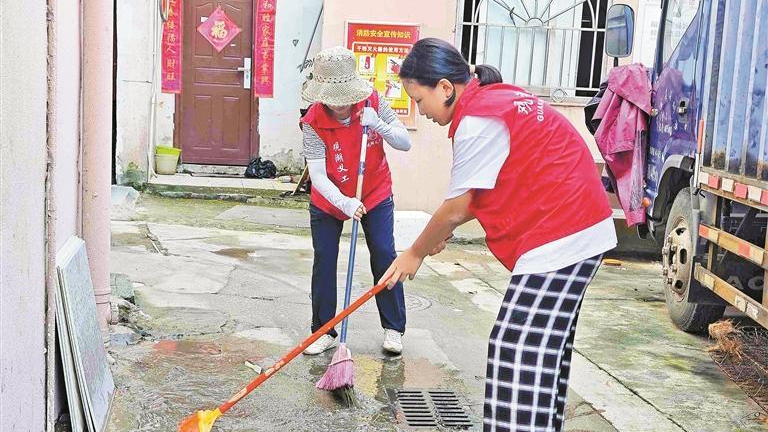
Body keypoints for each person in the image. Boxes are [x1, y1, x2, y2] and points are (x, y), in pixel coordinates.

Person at [380, 38, 617, 432]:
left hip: (564, 234)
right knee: (539, 353)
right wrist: (440, 236)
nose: (421, 112)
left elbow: (456, 208)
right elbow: (480, 197)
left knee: (517, 351)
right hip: (575, 226)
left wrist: (415, 253)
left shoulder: (477, 119)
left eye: (419, 100)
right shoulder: (498, 99)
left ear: (444, 87)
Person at [300, 46, 412, 355]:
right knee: (324, 258)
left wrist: (378, 124)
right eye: (332, 100)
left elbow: (405, 142)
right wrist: (345, 203)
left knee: (384, 253)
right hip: (329, 199)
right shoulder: (312, 122)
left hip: (374, 190)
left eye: (345, 98)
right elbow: (319, 177)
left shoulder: (374, 100)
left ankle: (393, 328)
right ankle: (322, 330)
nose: (340, 106)